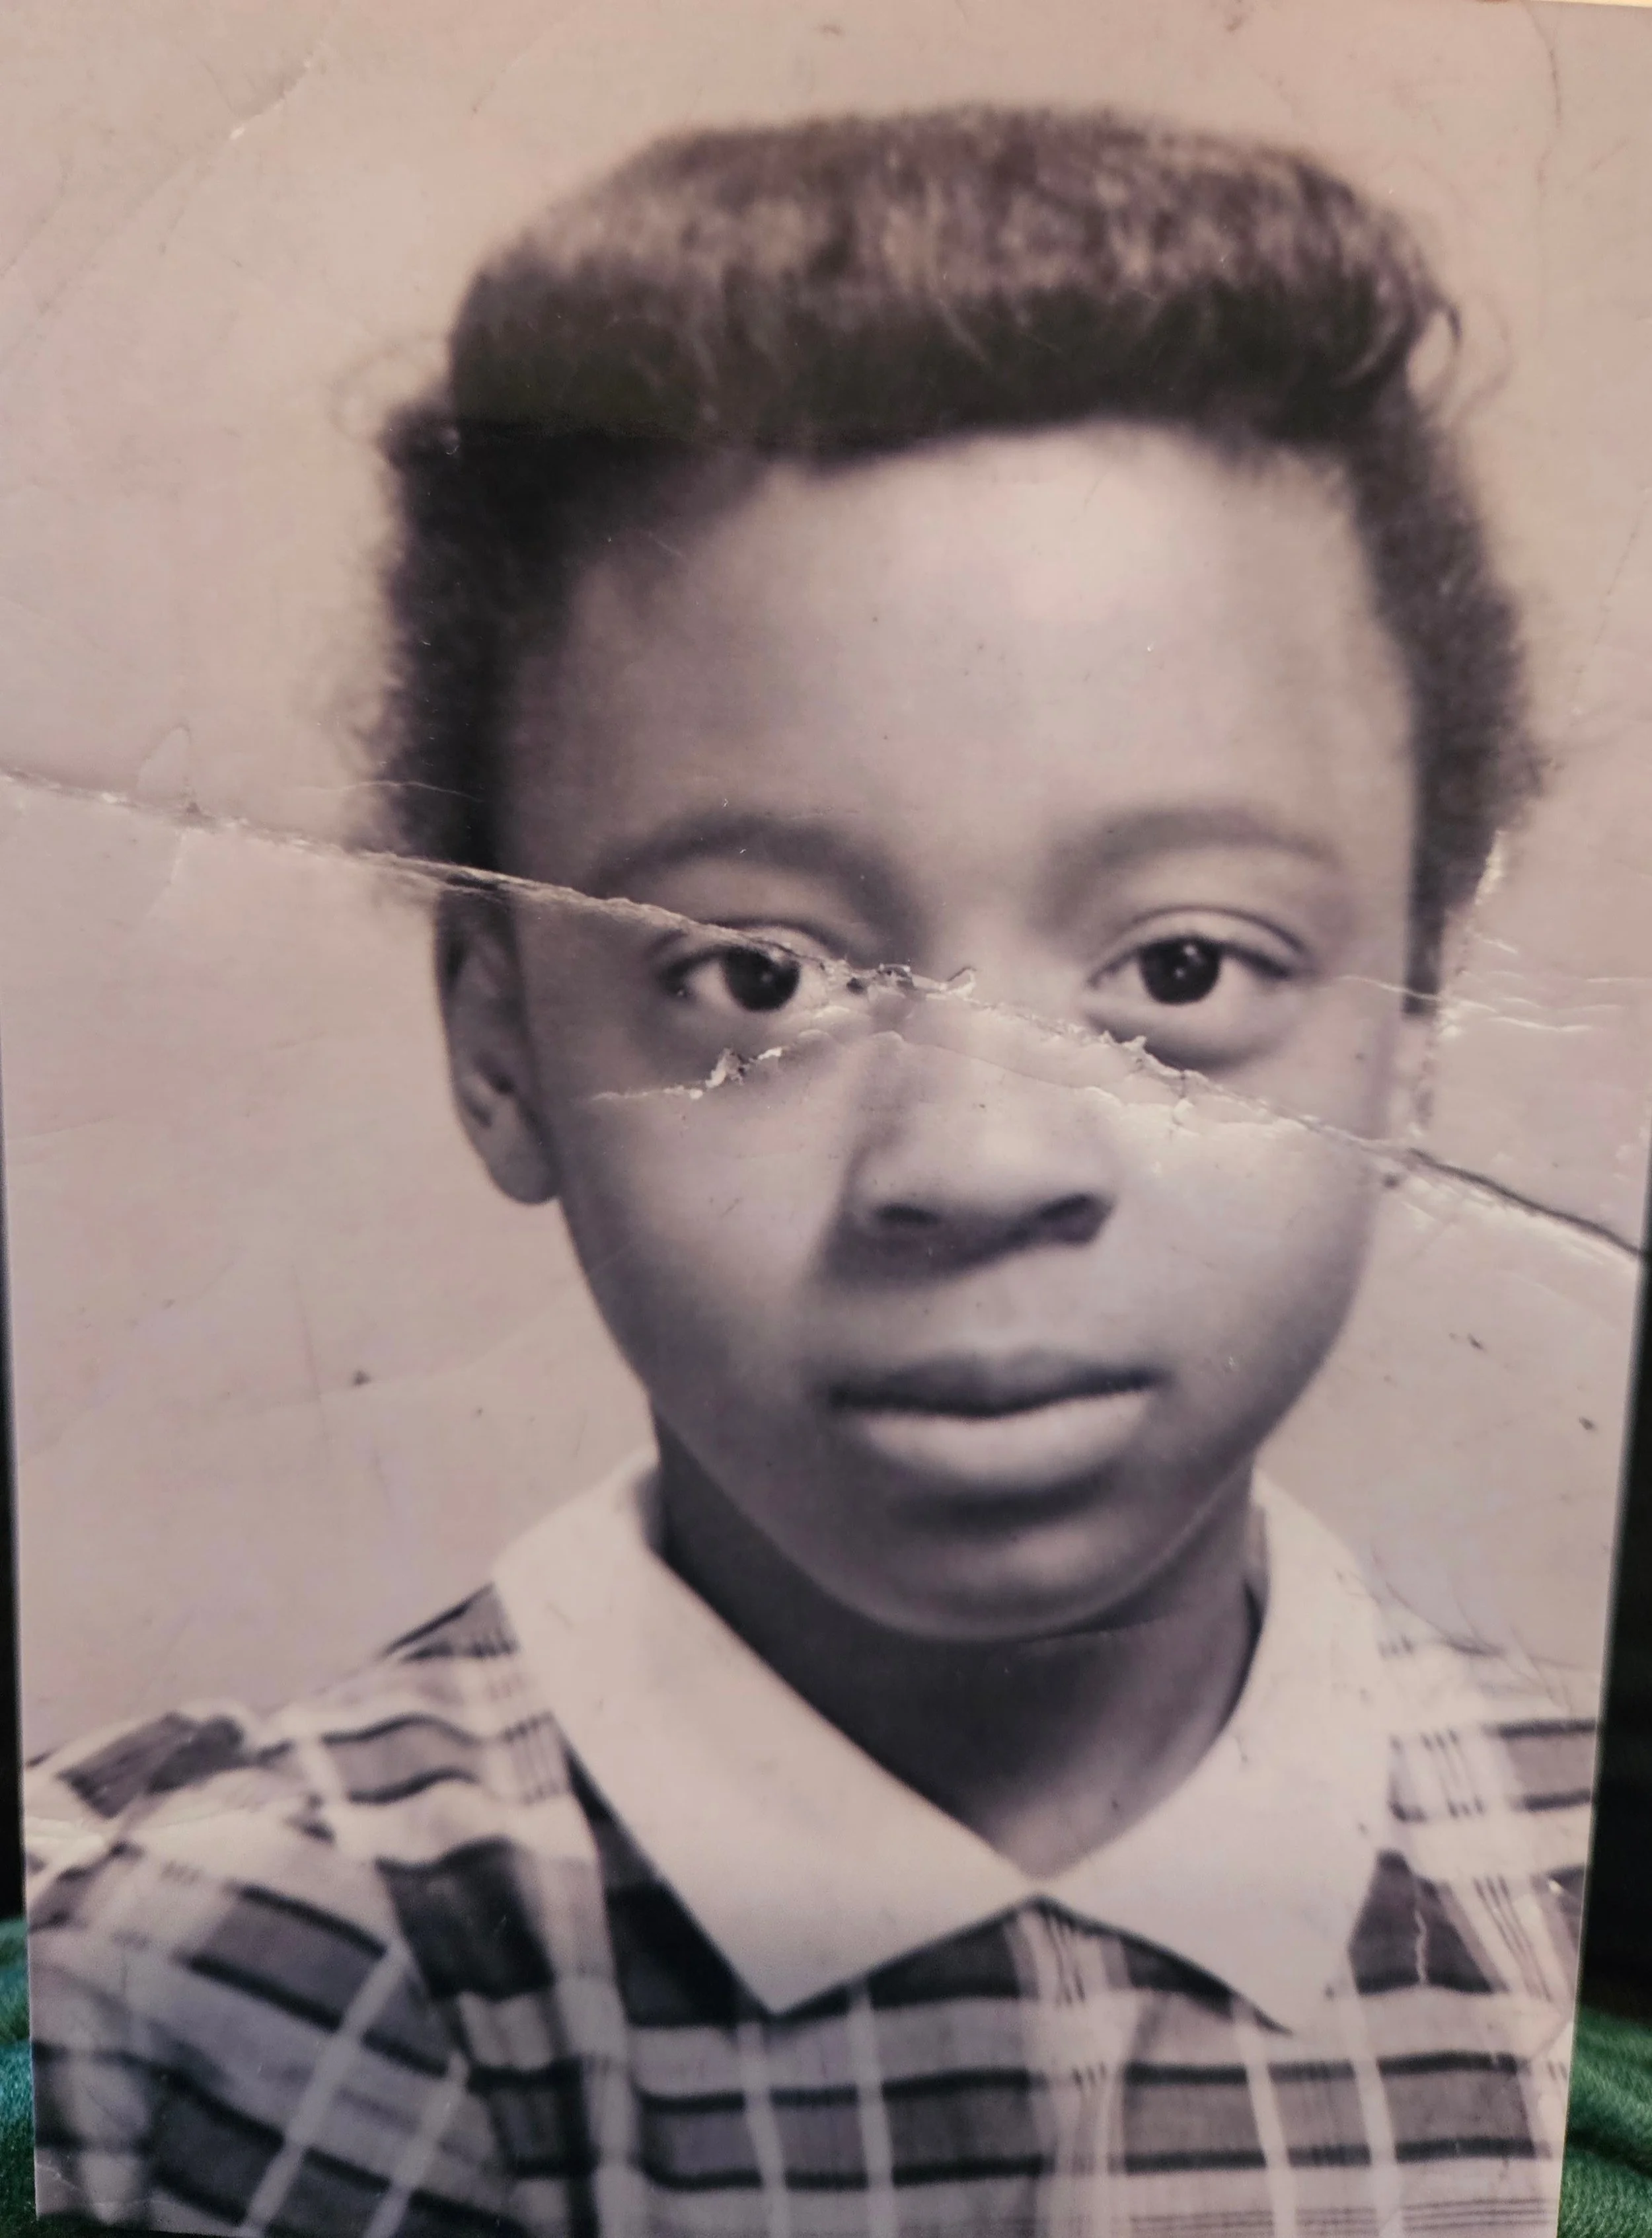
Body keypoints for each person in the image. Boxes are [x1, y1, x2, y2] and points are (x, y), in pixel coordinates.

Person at [25, 108, 1591, 2237]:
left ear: (1413, 1024)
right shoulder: (210, 1965)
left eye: (1185, 965)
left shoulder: (1575, 1924)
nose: (974, 1159)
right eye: (753, 973)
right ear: (496, 1045)